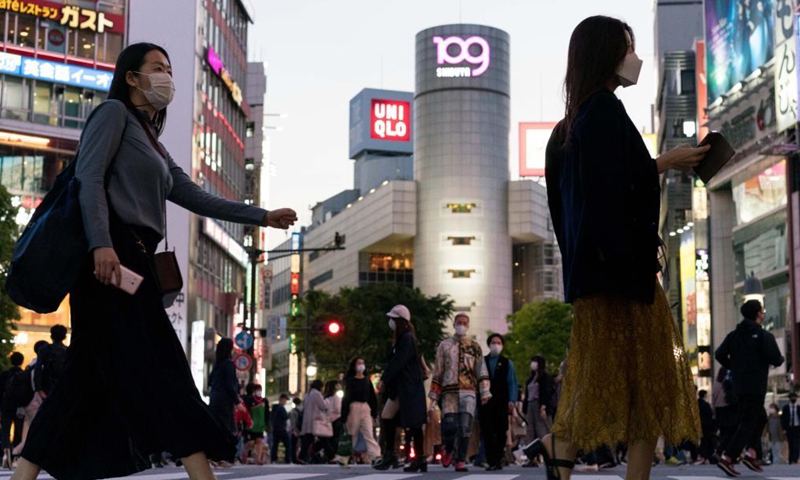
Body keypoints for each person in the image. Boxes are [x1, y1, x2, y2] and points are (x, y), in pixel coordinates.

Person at [9, 42, 298, 480]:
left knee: (87, 374)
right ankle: (202, 474)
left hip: (133, 262)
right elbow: (87, 178)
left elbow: (195, 197)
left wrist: (262, 216)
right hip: (110, 258)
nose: (168, 76)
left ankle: (25, 474)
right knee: (163, 365)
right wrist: (100, 245)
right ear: (131, 76)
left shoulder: (153, 143)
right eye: (158, 67)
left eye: (170, 68)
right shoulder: (113, 115)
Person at [530, 15, 706, 480]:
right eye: (627, 48)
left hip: (593, 274)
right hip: (621, 273)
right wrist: (666, 162)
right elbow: (613, 188)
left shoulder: (565, 128)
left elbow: (570, 205)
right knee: (650, 383)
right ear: (608, 54)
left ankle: (559, 452)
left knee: (600, 378)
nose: (635, 58)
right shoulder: (605, 111)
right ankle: (594, 461)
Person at [715, 299, 784, 476]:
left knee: (760, 418)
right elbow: (776, 359)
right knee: (748, 423)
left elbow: (719, 354)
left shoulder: (734, 335)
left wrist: (733, 366)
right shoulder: (763, 336)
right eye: (762, 311)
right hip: (756, 386)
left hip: (738, 386)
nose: (763, 313)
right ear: (758, 314)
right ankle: (728, 457)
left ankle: (751, 452)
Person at [429, 313, 491, 473]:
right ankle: (448, 449)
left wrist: (485, 392)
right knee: (449, 425)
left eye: (465, 322)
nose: (461, 325)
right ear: (454, 324)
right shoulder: (444, 346)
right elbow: (438, 370)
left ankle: (460, 460)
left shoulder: (475, 346)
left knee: (465, 427)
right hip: (449, 392)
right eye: (459, 322)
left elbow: (481, 370)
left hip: (469, 392)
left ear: (468, 325)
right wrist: (434, 395)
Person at [374, 305, 427, 472]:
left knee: (413, 424)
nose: (390, 322)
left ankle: (418, 458)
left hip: (409, 388)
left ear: (400, 321)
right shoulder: (403, 338)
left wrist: (383, 379)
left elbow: (398, 362)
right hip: (402, 388)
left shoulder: (406, 338)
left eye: (393, 319)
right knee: (388, 416)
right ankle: (391, 454)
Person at [481, 333, 518, 471]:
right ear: (489, 344)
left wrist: (512, 400)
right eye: (493, 342)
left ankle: (498, 457)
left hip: (502, 401)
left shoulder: (508, 363)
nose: (496, 345)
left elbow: (512, 383)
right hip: (486, 401)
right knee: (487, 431)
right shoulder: (482, 361)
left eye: (498, 343)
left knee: (502, 430)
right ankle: (492, 460)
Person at [12, 341, 49, 461]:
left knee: (27, 431)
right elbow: (36, 385)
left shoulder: (30, 364)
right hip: (36, 401)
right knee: (37, 431)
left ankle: (19, 455)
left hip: (27, 402)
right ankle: (15, 452)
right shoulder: (40, 365)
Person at [341, 357, 381, 464]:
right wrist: (344, 414)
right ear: (354, 366)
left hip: (366, 407)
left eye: (363, 363)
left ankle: (376, 455)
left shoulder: (367, 380)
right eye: (359, 363)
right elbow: (347, 397)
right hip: (353, 407)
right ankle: (344, 456)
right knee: (351, 433)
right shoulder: (350, 381)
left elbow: (372, 397)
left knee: (368, 432)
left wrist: (374, 413)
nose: (361, 365)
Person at [208, 337, 240, 463]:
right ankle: (225, 456)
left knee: (217, 427)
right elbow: (230, 385)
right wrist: (237, 402)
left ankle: (215, 454)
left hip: (214, 399)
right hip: (225, 401)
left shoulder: (217, 365)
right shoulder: (228, 364)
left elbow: (210, 381)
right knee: (227, 428)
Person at [523, 355, 553, 453]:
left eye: (535, 361)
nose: (533, 364)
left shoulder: (545, 377)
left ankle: (548, 452)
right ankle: (531, 456)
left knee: (542, 429)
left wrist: (543, 407)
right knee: (530, 430)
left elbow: (546, 392)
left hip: (539, 404)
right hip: (530, 404)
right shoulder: (531, 379)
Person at [0, 353, 24, 468]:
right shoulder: (24, 374)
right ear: (22, 361)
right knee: (19, 431)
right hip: (19, 406)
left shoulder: (5, 374)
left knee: (5, 429)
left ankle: (5, 451)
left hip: (6, 405)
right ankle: (15, 456)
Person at [33, 325, 68, 399]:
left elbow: (38, 369)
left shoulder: (44, 349)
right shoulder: (68, 351)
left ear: (51, 336)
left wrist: (39, 389)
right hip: (63, 387)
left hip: (47, 387)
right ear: (64, 337)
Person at [300, 379, 330, 463]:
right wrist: (327, 401)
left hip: (308, 421)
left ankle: (301, 457)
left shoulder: (307, 394)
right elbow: (323, 406)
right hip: (316, 421)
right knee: (323, 438)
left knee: (307, 440)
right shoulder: (317, 394)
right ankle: (331, 456)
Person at [242, 383, 269, 465]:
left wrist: (266, 423)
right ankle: (244, 453)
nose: (259, 392)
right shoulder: (249, 400)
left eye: (260, 390)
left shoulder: (264, 401)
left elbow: (267, 413)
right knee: (251, 443)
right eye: (257, 390)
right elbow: (246, 412)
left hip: (260, 425)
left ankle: (258, 459)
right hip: (251, 424)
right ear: (254, 391)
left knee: (259, 441)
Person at [323, 380, 343, 462]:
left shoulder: (326, 397)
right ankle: (334, 455)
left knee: (329, 439)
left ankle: (329, 456)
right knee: (336, 438)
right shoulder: (336, 397)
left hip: (328, 420)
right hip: (336, 419)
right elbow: (338, 409)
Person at [270, 394, 291, 464]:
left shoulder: (274, 408)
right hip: (282, 428)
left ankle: (273, 459)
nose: (285, 402)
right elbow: (286, 417)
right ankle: (288, 459)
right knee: (287, 444)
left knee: (275, 444)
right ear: (282, 399)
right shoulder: (281, 408)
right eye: (285, 400)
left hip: (275, 428)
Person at [697, 390, 715, 464]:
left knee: (702, 440)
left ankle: (701, 456)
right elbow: (710, 414)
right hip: (706, 424)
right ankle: (705, 456)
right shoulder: (706, 405)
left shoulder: (697, 403)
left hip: (700, 423)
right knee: (707, 440)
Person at [782, 393, 800, 464]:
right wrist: (784, 428)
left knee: (796, 444)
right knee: (790, 444)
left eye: (794, 397)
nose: (793, 399)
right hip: (789, 428)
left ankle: (795, 459)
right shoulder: (786, 408)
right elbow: (783, 419)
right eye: (792, 397)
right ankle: (790, 459)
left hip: (797, 427)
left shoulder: (799, 408)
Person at [289, 397, 304, 464]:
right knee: (303, 445)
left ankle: (294, 459)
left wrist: (294, 430)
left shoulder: (293, 411)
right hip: (304, 430)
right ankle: (303, 458)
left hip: (296, 430)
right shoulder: (304, 410)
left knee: (294, 446)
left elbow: (293, 422)